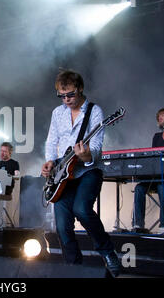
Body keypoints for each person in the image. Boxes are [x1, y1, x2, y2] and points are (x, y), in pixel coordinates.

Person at [41, 69, 120, 277]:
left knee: (82, 210)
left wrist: (85, 156)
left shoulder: (95, 111)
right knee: (62, 225)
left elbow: (95, 148)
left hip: (87, 170)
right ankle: (73, 268)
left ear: (80, 89)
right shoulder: (57, 113)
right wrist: (49, 161)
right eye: (62, 95)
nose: (66, 99)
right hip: (62, 172)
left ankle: (107, 252)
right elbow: (51, 140)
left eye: (71, 94)